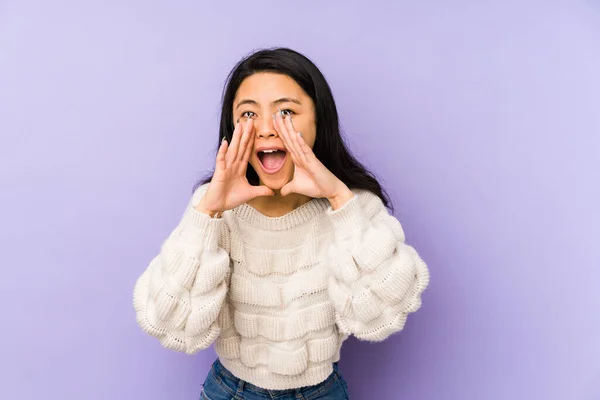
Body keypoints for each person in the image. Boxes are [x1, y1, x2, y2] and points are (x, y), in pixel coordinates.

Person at [133, 47, 430, 400]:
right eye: (248, 114)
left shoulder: (354, 206)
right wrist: (208, 212)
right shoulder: (212, 209)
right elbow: (171, 325)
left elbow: (383, 314)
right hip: (230, 391)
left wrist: (338, 197)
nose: (266, 129)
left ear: (319, 123)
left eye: (286, 112)